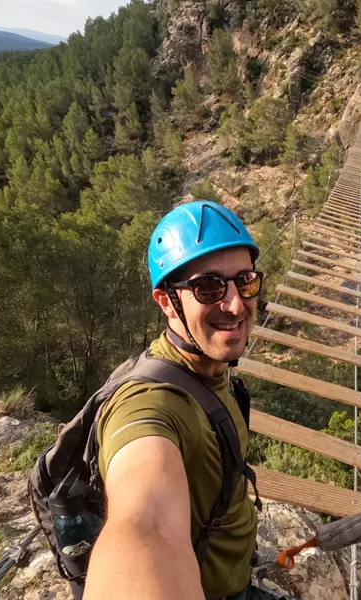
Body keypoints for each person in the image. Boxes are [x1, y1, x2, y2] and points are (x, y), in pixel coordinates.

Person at [83, 201, 292, 600]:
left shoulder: (210, 370)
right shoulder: (149, 404)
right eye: (209, 287)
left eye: (245, 281)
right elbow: (146, 525)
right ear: (166, 302)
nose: (235, 304)